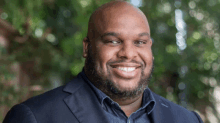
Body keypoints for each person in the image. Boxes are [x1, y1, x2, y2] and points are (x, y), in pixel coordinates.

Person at [3, 1, 203, 123]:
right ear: (87, 48)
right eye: (113, 41)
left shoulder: (187, 120)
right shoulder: (35, 118)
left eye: (140, 42)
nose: (128, 53)